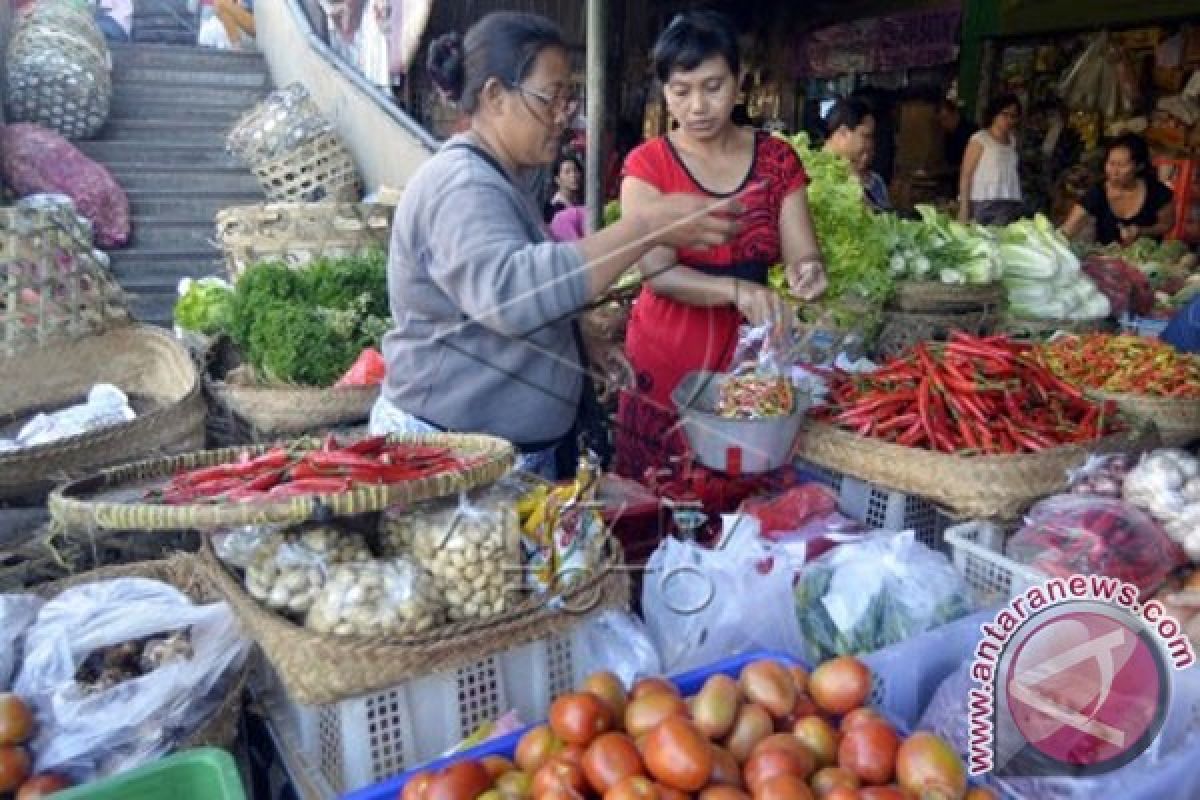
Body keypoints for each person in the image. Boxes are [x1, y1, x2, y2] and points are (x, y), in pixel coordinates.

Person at [373, 12, 741, 479]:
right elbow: (513, 295)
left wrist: (577, 338)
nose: (564, 115)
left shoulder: (503, 178)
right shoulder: (462, 185)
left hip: (495, 455)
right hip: (451, 462)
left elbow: (503, 296)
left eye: (569, 98)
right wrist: (645, 227)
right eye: (551, 98)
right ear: (494, 97)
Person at [614, 10, 827, 481]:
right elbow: (658, 271)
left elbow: (802, 254)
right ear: (664, 92)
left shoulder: (777, 160)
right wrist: (739, 291)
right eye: (681, 91)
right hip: (667, 351)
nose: (697, 107)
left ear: (738, 81)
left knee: (746, 489)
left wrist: (807, 274)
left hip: (750, 355)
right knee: (662, 494)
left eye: (712, 87)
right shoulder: (648, 165)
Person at [1060, 133, 1176, 246]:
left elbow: (1166, 224)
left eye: (1121, 165)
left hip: (1146, 261)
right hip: (1106, 261)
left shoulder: (1157, 192)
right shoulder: (1097, 192)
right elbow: (1070, 227)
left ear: (1139, 166)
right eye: (1111, 163)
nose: (1114, 172)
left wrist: (1140, 231)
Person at [959, 94, 1024, 225]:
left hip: (1006, 202)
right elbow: (966, 175)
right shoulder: (979, 139)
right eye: (1005, 114)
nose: (1009, 120)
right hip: (981, 202)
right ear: (994, 114)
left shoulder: (1013, 141)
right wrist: (964, 209)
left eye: (1013, 116)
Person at [822, 98, 876, 178]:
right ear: (843, 132)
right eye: (866, 136)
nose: (871, 145)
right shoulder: (806, 178)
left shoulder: (874, 183)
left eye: (872, 137)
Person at [938, 98, 977, 183]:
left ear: (955, 114)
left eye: (945, 118)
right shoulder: (948, 134)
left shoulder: (971, 132)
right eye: (940, 121)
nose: (943, 124)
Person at [543, 153, 583, 224]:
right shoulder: (553, 209)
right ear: (557, 179)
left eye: (575, 170)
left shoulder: (581, 202)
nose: (573, 175)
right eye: (567, 172)